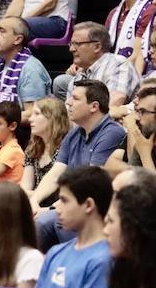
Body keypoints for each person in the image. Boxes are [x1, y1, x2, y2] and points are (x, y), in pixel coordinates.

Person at [30, 80, 126, 249]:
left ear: (94, 106)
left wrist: (53, 209)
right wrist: (35, 201)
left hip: (94, 207)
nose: (68, 102)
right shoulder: (75, 132)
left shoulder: (111, 133)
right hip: (71, 202)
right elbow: (56, 172)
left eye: (75, 98)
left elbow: (91, 183)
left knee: (45, 221)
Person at [35, 165, 113, 288]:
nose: (57, 209)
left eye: (64, 201)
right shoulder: (55, 252)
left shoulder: (104, 259)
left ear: (88, 205)